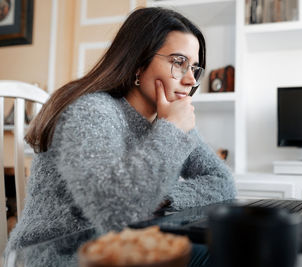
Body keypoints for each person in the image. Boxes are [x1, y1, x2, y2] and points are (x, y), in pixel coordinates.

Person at [5, 7, 236, 266]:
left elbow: (223, 182)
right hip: (58, 255)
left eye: (194, 67)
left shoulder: (168, 123)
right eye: (178, 62)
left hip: (120, 247)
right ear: (139, 63)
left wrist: (162, 196)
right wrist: (172, 130)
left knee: (233, 247)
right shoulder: (93, 111)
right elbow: (117, 210)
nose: (191, 80)